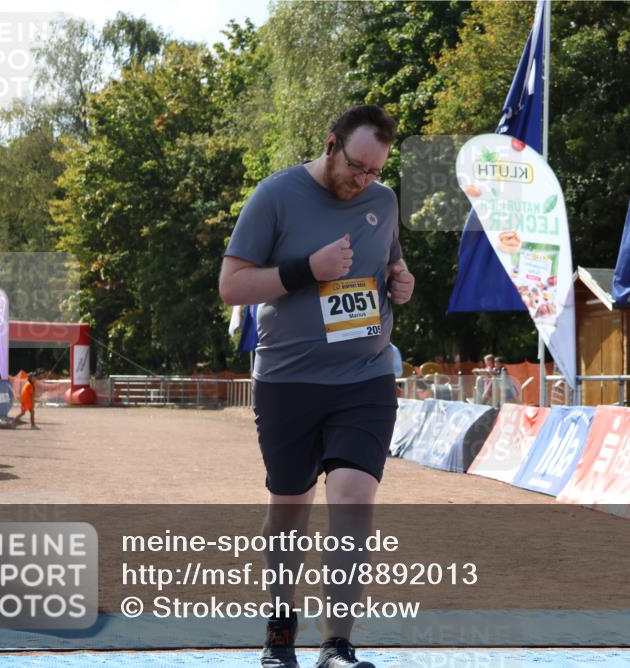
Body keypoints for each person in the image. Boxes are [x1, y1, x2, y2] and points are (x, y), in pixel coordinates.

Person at [219, 104, 414, 668]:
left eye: (375, 171)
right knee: (290, 509)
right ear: (331, 144)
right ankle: (280, 640)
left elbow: (390, 269)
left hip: (366, 376)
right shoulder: (275, 196)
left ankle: (337, 646)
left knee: (353, 503)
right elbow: (231, 287)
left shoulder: (384, 201)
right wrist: (308, 269)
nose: (364, 181)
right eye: (356, 166)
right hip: (288, 381)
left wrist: (401, 285)